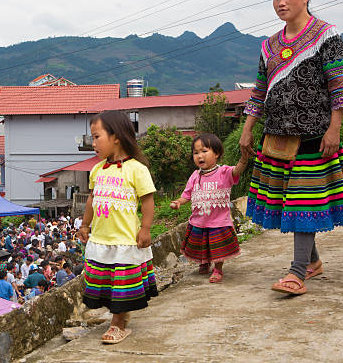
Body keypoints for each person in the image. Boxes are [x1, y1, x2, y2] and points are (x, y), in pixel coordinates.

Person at [239, 0, 343, 296]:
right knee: (293, 204)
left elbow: (341, 86)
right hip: (277, 138)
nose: (280, 3)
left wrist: (334, 129)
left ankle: (297, 271)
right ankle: (313, 262)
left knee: (303, 201)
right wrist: (248, 129)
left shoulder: (325, 35)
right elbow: (260, 91)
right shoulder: (269, 45)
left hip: (314, 137)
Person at [76, 110, 158, 344]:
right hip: (102, 240)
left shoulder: (137, 169)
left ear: (117, 137)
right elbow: (92, 199)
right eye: (92, 138)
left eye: (97, 137)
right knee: (108, 286)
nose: (93, 143)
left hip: (124, 240)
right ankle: (119, 317)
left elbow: (148, 200)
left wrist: (145, 228)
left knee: (122, 286)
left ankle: (118, 323)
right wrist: (84, 224)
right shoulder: (97, 170)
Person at [170, 133, 249, 283]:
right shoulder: (194, 175)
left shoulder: (224, 172)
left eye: (204, 151)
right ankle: (204, 262)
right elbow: (186, 195)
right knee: (201, 244)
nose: (200, 156)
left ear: (217, 153)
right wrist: (178, 202)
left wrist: (243, 160)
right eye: (196, 153)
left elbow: (237, 170)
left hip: (219, 221)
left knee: (218, 247)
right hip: (199, 220)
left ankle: (218, 269)